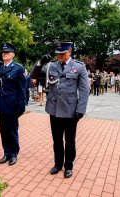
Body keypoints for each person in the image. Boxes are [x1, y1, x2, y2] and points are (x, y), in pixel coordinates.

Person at [30, 41, 89, 178]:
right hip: (54, 109)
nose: (60, 57)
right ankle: (58, 164)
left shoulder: (79, 67)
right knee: (56, 140)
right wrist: (40, 62)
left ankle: (68, 165)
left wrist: (80, 110)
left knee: (70, 141)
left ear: (69, 52)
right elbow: (33, 76)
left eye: (62, 54)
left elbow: (84, 90)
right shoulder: (51, 66)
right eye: (58, 54)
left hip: (70, 111)